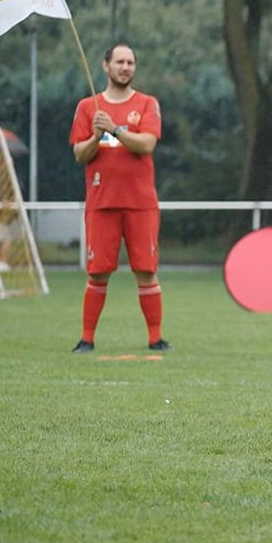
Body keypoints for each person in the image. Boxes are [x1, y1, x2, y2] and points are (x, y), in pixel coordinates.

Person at [68, 43, 169, 353]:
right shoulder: (88, 107)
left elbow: (146, 145)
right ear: (105, 66)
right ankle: (87, 339)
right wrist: (97, 136)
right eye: (120, 62)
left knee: (146, 270)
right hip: (101, 202)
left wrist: (113, 129)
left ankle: (155, 339)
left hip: (140, 202)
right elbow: (79, 154)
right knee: (97, 271)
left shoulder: (148, 104)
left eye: (130, 63)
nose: (125, 67)